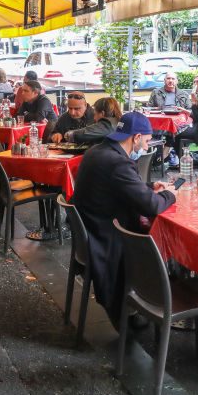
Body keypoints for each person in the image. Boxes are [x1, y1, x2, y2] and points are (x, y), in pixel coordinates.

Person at [72, 111, 176, 326]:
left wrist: (148, 187)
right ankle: (147, 301)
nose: (147, 147)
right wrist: (170, 194)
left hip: (88, 230)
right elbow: (151, 206)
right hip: (105, 235)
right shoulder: (118, 163)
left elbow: (116, 186)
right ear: (136, 137)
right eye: (146, 141)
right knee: (155, 244)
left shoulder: (97, 151)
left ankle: (131, 305)